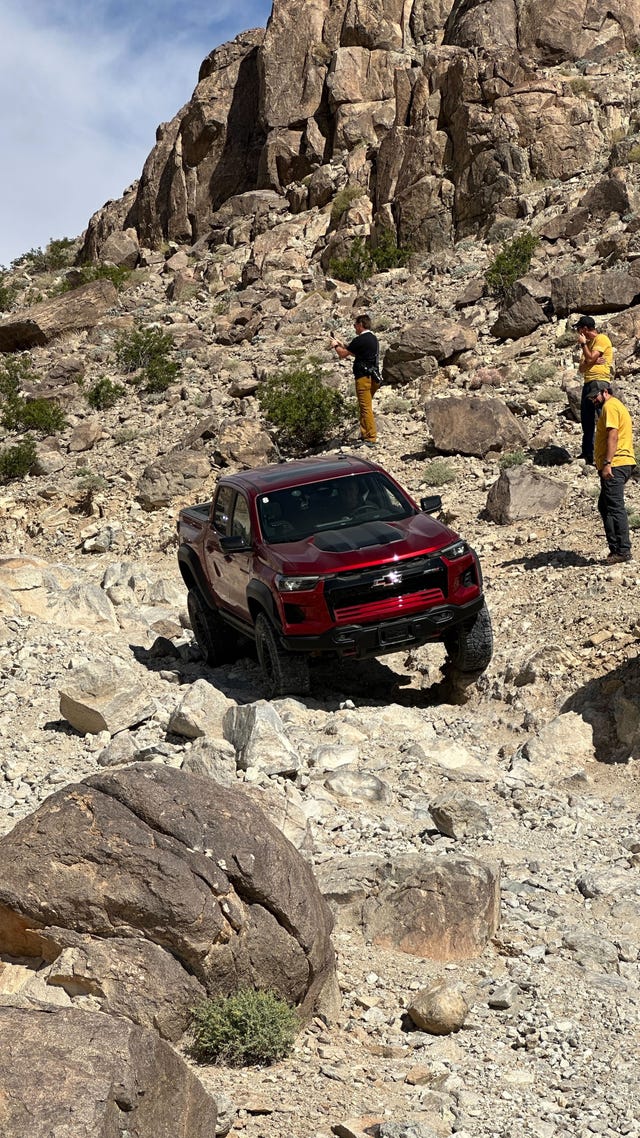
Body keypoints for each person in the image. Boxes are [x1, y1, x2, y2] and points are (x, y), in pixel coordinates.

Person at [585, 379, 636, 564]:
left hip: (616, 463)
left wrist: (607, 463)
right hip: (619, 463)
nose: (593, 400)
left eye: (594, 396)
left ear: (605, 392)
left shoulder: (610, 407)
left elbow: (613, 435)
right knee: (605, 506)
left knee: (614, 507)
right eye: (590, 398)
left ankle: (622, 551)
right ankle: (616, 548)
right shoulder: (612, 407)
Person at [331, 314, 380, 447]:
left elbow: (342, 354)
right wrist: (343, 344)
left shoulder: (361, 339)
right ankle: (366, 435)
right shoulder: (373, 339)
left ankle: (370, 438)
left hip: (364, 378)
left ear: (360, 325)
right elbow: (355, 352)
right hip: (373, 378)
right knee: (366, 407)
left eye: (355, 325)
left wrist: (335, 346)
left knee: (365, 408)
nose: (354, 328)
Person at [574, 315, 613, 464]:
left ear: (584, 329)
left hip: (599, 383)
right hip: (588, 382)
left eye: (579, 329)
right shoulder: (589, 346)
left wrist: (584, 346)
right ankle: (588, 454)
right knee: (587, 420)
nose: (578, 332)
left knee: (603, 419)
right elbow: (582, 368)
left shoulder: (601, 339)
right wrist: (591, 359)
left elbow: (588, 360)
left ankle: (607, 456)